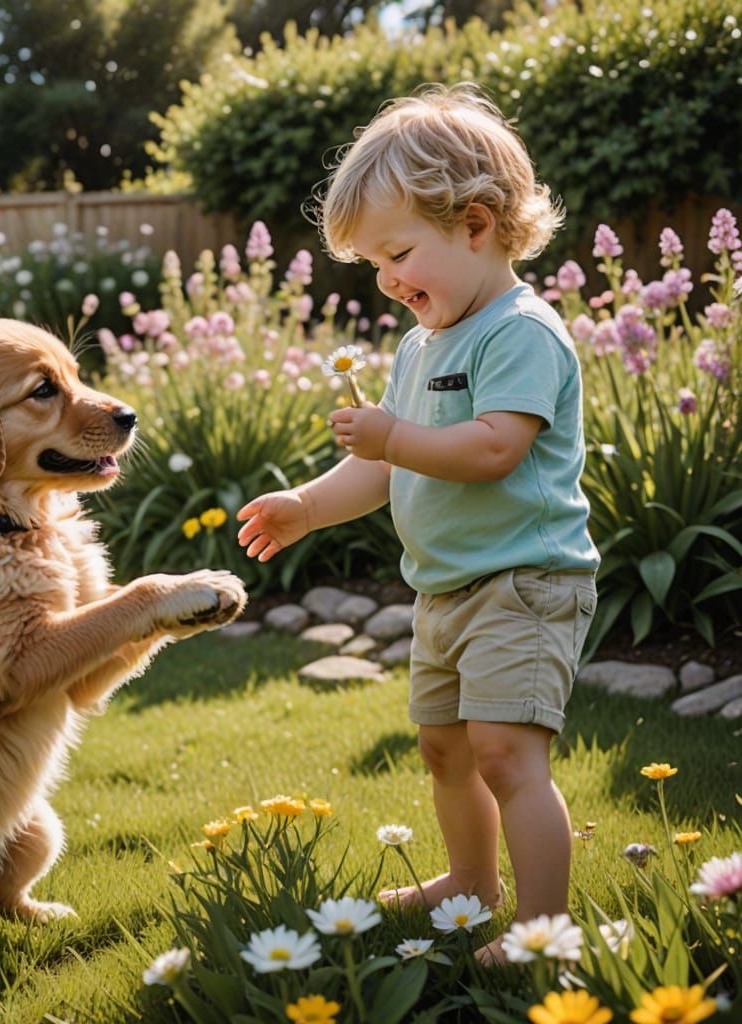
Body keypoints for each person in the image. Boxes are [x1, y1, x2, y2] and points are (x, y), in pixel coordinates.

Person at [236, 83, 600, 965]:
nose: (389, 280)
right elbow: (379, 468)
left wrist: (396, 432)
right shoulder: (421, 346)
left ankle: (543, 932)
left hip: (526, 577)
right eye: (373, 266)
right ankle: (472, 884)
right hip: (445, 586)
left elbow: (492, 451)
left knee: (507, 752)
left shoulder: (521, 332)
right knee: (446, 752)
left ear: (476, 225)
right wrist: (307, 507)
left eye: (399, 252)